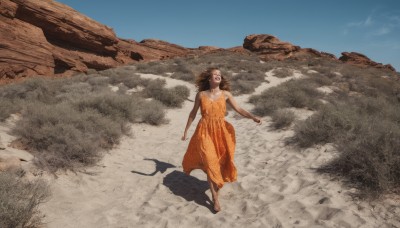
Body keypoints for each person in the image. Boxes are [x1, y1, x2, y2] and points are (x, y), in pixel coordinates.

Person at [181, 67, 261, 212]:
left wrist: (253, 117)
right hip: (204, 131)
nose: (218, 76)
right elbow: (193, 114)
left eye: (219, 75)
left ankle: (214, 182)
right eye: (215, 74)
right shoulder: (200, 95)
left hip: (220, 131)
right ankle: (215, 198)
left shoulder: (226, 94)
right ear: (209, 79)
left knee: (218, 162)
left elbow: (239, 109)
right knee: (210, 161)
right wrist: (186, 130)